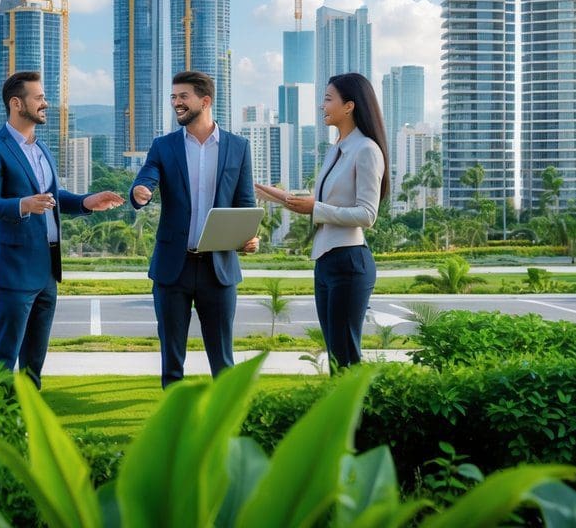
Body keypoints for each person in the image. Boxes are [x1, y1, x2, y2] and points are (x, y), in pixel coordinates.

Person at [0, 71, 124, 387]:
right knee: (3, 357)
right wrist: (23, 204)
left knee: (34, 363)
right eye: (39, 98)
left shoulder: (41, 149)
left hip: (47, 270)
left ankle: (30, 414)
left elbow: (52, 198)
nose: (46, 103)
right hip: (14, 269)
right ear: (17, 103)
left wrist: (86, 202)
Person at [130, 70, 259, 388]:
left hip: (219, 268)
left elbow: (245, 203)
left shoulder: (238, 147)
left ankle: (225, 415)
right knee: (172, 358)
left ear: (205, 100)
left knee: (223, 359)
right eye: (173, 97)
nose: (176, 102)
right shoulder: (163, 146)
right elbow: (147, 176)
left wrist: (249, 238)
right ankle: (173, 415)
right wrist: (140, 191)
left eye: (183, 96)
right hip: (173, 268)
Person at [278, 72, 388, 369]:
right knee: (337, 357)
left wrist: (316, 208)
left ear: (349, 106)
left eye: (328, 99)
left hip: (349, 262)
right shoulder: (336, 149)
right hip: (326, 262)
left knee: (346, 358)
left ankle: (360, 402)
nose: (322, 106)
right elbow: (321, 204)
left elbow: (367, 214)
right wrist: (272, 194)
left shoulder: (366, 149)